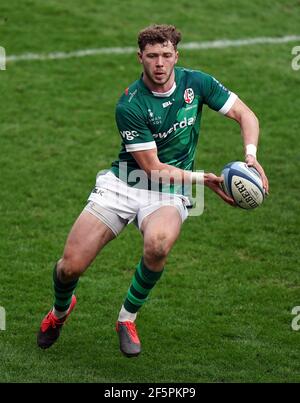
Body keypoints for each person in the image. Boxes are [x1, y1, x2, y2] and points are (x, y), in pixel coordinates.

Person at [37, 24, 269, 358]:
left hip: (169, 190)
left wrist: (251, 157)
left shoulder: (197, 83)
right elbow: (152, 169)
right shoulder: (130, 104)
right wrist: (202, 179)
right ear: (140, 57)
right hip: (125, 183)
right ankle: (60, 312)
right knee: (70, 266)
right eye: (151, 56)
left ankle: (127, 318)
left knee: (158, 244)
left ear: (176, 55)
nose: (159, 63)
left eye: (165, 55)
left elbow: (244, 113)